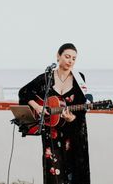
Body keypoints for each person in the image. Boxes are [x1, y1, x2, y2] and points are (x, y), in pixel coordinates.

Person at [18, 43, 90, 184]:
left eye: (74, 58)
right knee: (54, 174)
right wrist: (37, 107)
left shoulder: (79, 78)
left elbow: (83, 108)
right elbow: (24, 92)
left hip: (72, 133)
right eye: (67, 56)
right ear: (58, 56)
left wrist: (72, 118)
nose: (70, 61)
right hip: (51, 132)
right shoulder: (46, 78)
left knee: (73, 173)